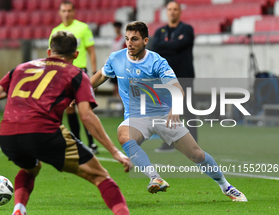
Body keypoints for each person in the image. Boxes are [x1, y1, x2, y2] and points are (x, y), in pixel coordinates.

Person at [0, 31, 150, 215]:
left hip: (8, 137)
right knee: (101, 177)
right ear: (76, 54)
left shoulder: (21, 68)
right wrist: (114, 151)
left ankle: (18, 210)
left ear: (49, 51)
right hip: (43, 132)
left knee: (30, 168)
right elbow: (87, 117)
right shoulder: (75, 73)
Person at [90, 21, 247, 202]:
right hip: (136, 117)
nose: (129, 43)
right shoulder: (116, 58)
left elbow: (177, 88)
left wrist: (175, 108)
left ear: (145, 40)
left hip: (163, 115)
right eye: (127, 39)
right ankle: (154, 177)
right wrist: (82, 91)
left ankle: (225, 186)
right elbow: (102, 75)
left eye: (134, 39)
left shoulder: (157, 62)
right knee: (124, 135)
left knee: (196, 154)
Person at [49, 0, 98, 154]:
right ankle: (78, 142)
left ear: (73, 12)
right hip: (63, 73)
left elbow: (91, 51)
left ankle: (91, 142)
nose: (66, 14)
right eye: (63, 11)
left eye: (69, 11)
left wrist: (95, 71)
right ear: (59, 13)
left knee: (85, 108)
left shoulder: (82, 28)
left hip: (80, 71)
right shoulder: (55, 31)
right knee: (69, 109)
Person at [152, 0, 197, 152]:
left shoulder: (187, 29)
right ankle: (169, 143)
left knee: (189, 110)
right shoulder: (160, 32)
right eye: (169, 9)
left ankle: (193, 145)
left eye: (175, 9)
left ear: (180, 11)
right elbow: (155, 48)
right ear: (166, 12)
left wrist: (168, 47)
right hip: (166, 78)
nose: (172, 12)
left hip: (185, 76)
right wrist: (173, 45)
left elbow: (180, 45)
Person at [110, 21, 127, 97]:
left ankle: (120, 101)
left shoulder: (123, 39)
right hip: (114, 64)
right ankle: (116, 101)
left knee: (120, 84)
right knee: (114, 84)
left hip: (121, 64)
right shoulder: (114, 39)